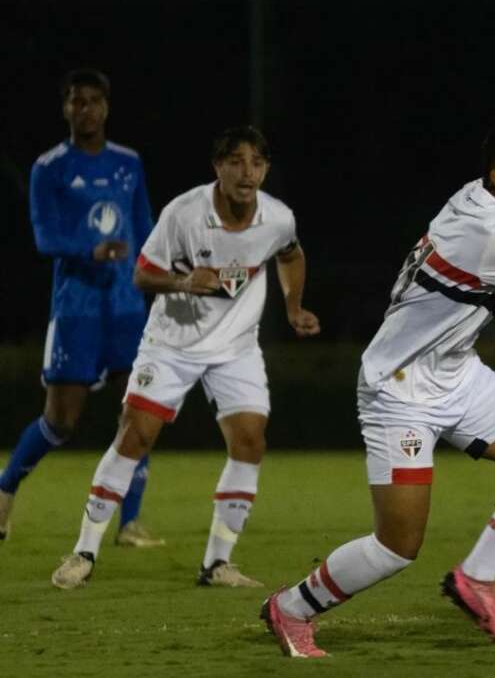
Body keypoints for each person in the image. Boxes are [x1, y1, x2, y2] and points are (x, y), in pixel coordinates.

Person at [259, 120, 495, 658]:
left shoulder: (473, 199)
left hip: (455, 372)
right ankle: (290, 608)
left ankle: (478, 574)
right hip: (397, 389)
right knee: (397, 547)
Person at [50, 126, 320, 590]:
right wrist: (182, 282)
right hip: (171, 346)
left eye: (256, 162)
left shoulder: (278, 219)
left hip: (236, 348)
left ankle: (217, 564)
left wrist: (294, 305)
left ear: (266, 169)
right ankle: (84, 552)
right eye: (235, 161)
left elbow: (291, 255)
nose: (247, 172)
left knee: (250, 441)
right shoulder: (185, 213)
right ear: (217, 167)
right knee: (134, 437)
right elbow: (142, 273)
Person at [0, 69, 162, 548]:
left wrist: (165, 274)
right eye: (77, 101)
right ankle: (6, 487)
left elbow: (145, 226)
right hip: (77, 309)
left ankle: (129, 523)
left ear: (107, 107)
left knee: (141, 410)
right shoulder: (48, 167)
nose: (85, 109)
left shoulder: (129, 164)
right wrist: (88, 251)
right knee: (61, 421)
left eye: (94, 101)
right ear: (65, 108)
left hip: (128, 307)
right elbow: (44, 236)